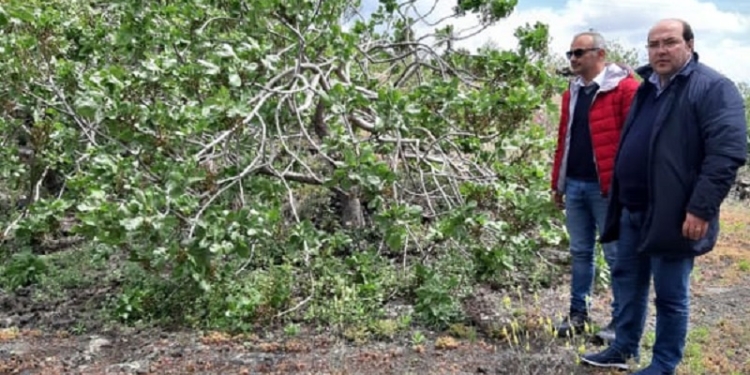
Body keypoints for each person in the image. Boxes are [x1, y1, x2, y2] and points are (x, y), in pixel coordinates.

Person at [580, 19, 748, 375]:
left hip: (675, 214)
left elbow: (727, 154)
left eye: (669, 42)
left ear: (689, 44)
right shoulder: (648, 88)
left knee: (670, 295)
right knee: (627, 283)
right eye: (653, 44)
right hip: (631, 209)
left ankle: (663, 364)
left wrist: (701, 208)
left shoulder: (713, 88)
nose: (660, 50)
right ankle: (623, 347)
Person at [550, 31, 639, 341]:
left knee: (617, 255)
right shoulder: (571, 93)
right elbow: (565, 139)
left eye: (579, 53)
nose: (573, 59)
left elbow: (635, 142)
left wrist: (626, 189)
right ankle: (578, 315)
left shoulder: (625, 89)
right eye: (570, 53)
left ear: (600, 54)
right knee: (580, 253)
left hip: (608, 191)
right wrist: (557, 183)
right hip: (574, 185)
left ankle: (620, 323)